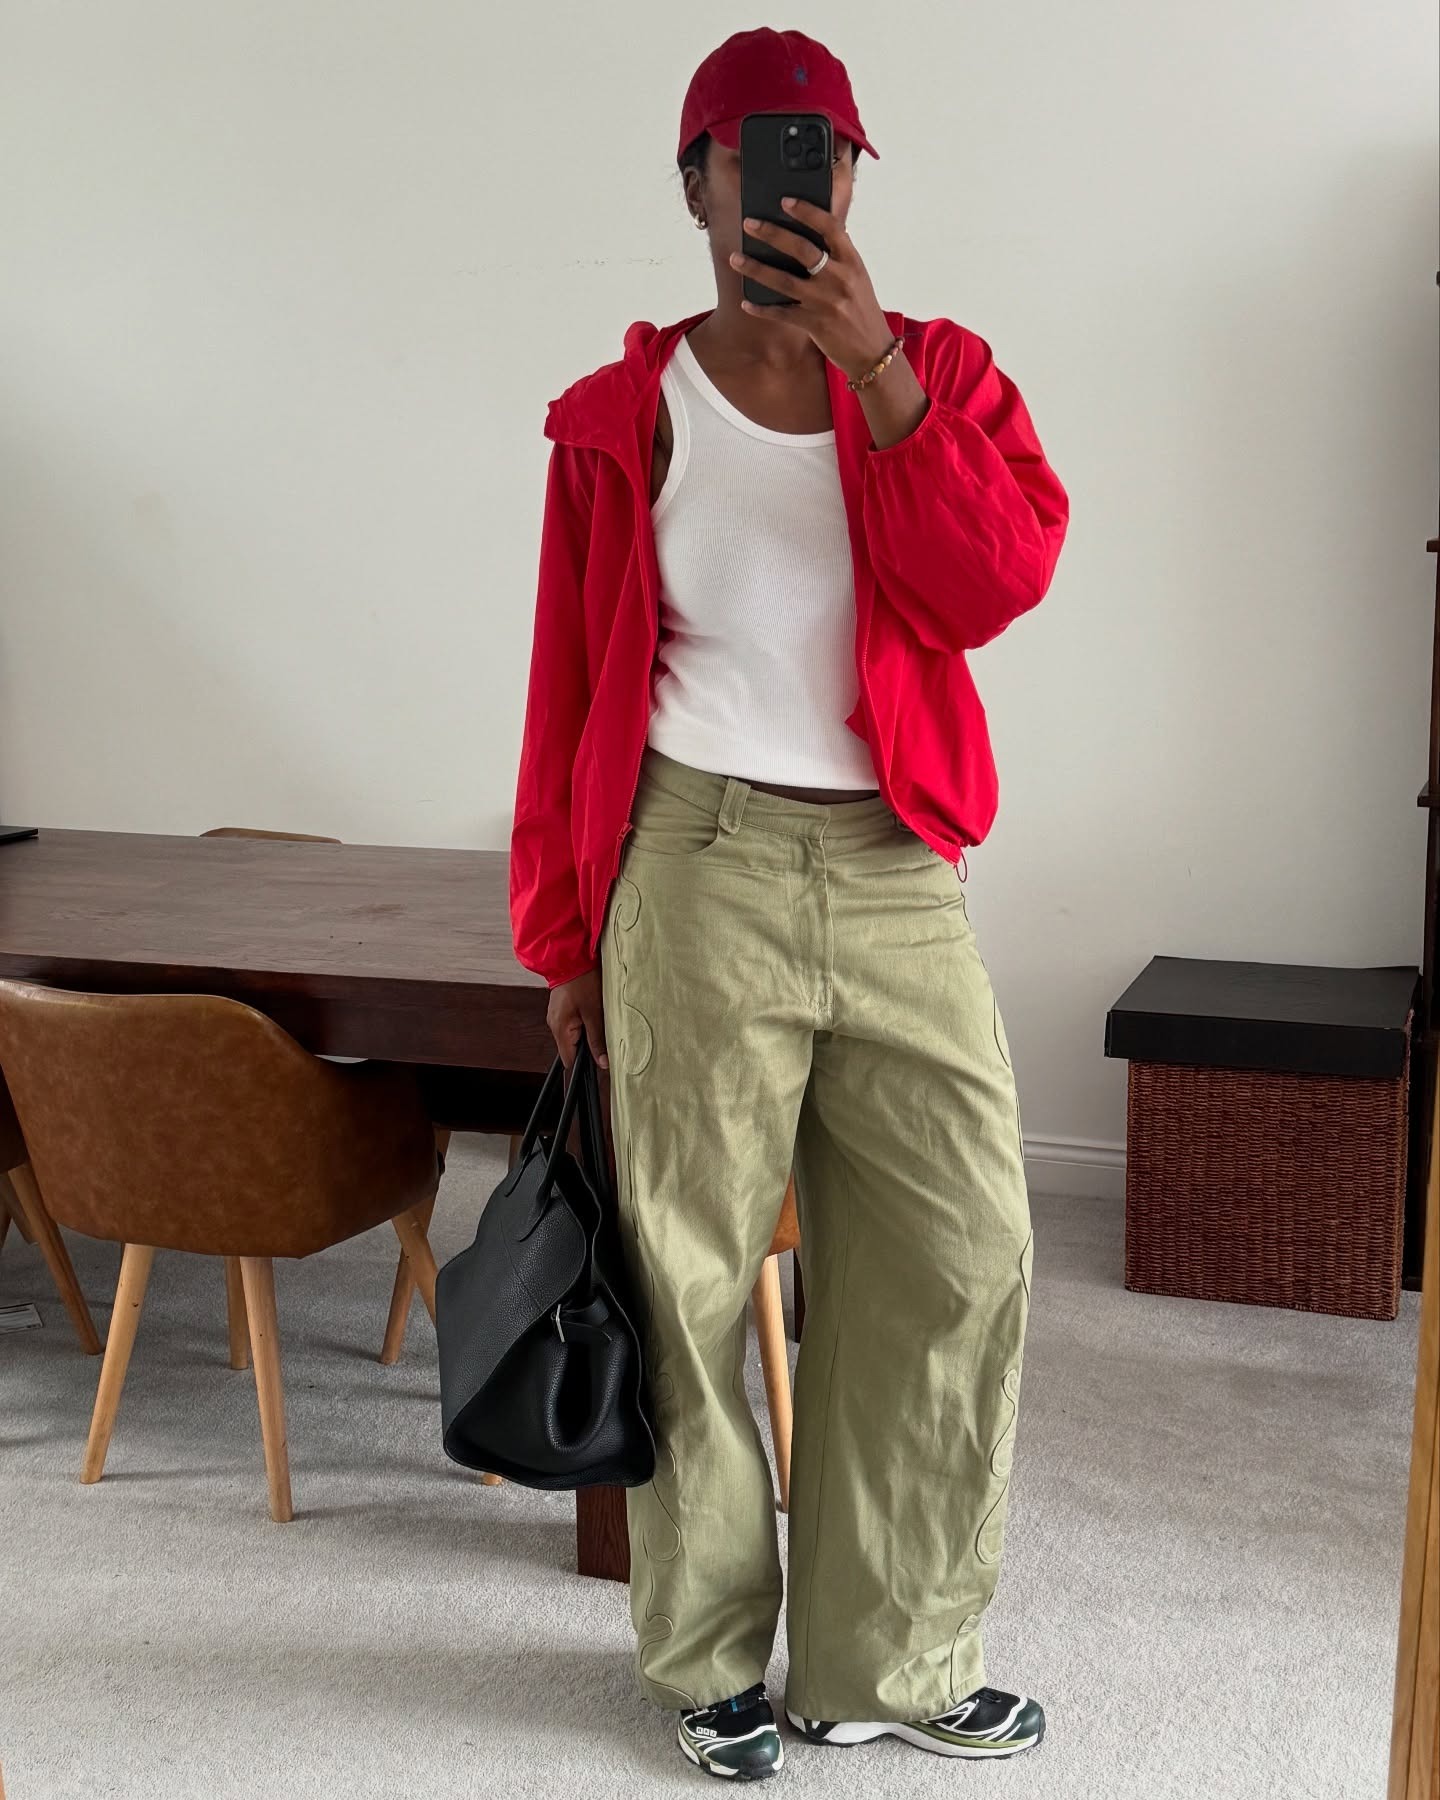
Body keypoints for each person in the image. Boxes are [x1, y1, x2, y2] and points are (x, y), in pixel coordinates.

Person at [509, 26, 1069, 1783]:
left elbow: (997, 581)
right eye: (764, 153)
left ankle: (882, 1660)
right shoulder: (621, 418)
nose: (797, 179)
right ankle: (707, 1660)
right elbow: (563, 684)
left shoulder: (939, 374)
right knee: (686, 1278)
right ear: (699, 185)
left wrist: (881, 371)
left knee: (962, 1260)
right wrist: (563, 937)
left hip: (898, 867)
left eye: (828, 152)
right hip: (695, 864)